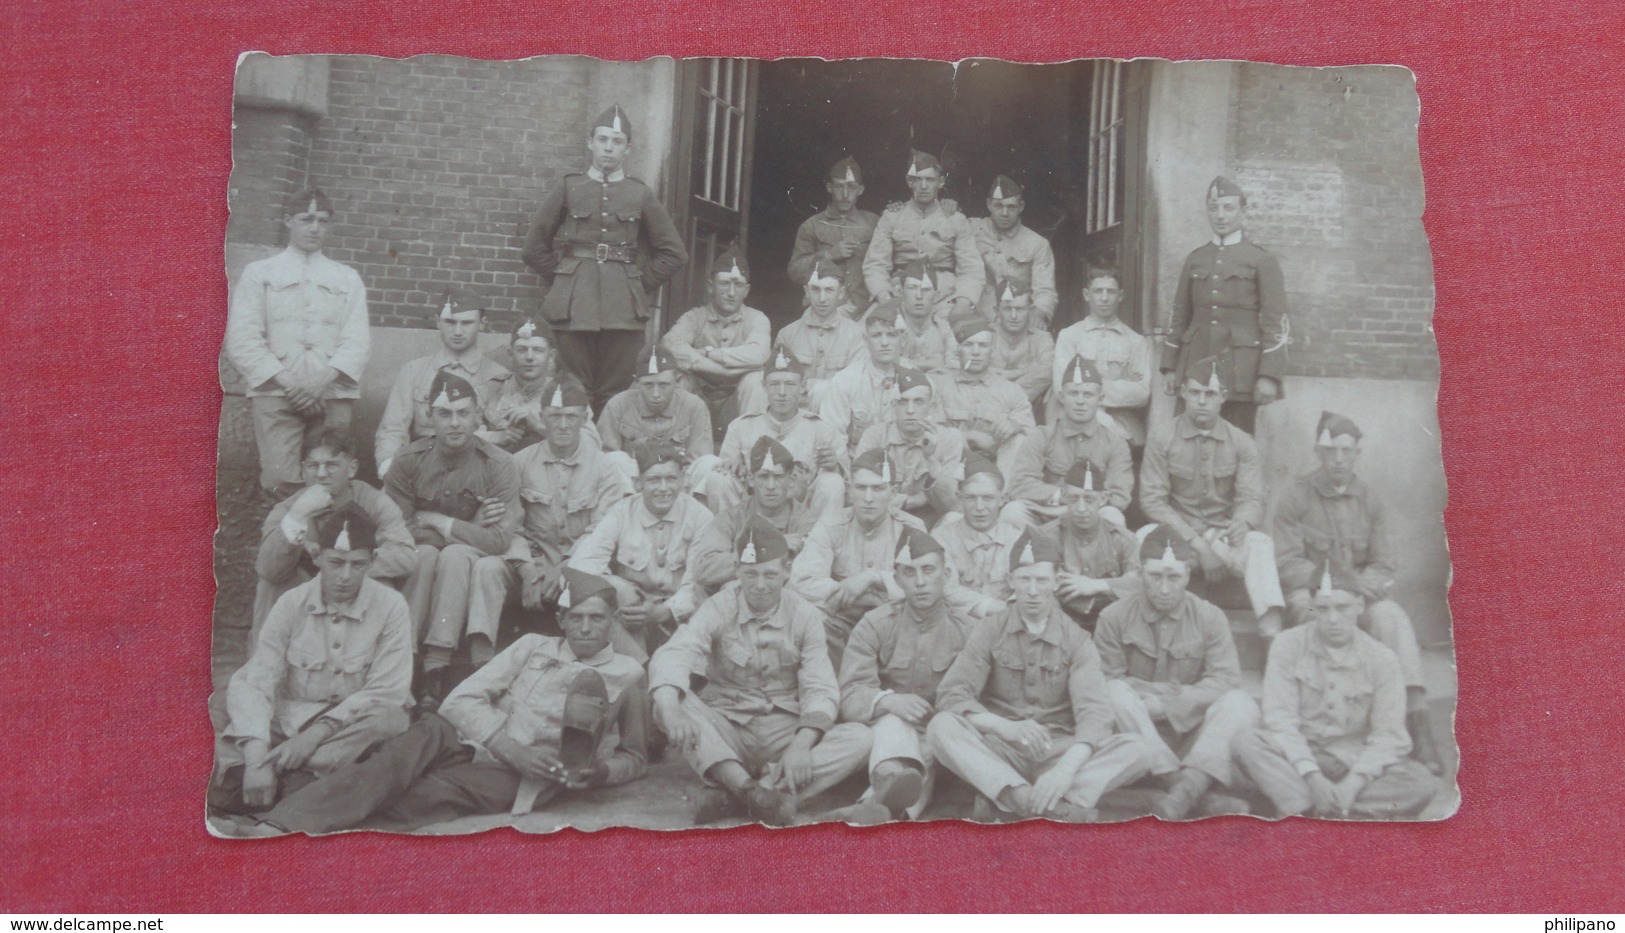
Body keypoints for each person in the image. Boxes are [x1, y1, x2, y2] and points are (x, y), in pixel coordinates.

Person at [221, 568, 649, 835]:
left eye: (598, 619)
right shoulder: (534, 646)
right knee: (392, 762)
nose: (587, 628)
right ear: (562, 620)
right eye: (578, 617)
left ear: (613, 623)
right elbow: (459, 701)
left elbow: (636, 756)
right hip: (470, 738)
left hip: (521, 774)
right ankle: (284, 817)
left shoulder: (629, 675)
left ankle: (279, 816)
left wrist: (601, 772)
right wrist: (505, 743)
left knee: (420, 798)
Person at [651, 519, 873, 827]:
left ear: (786, 573)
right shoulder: (719, 607)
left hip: (784, 730)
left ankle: (746, 792)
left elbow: (820, 687)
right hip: (729, 728)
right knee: (672, 701)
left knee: (860, 738)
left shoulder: (806, 616)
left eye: (770, 574)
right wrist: (668, 707)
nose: (760, 585)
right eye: (750, 574)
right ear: (738, 572)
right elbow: (679, 650)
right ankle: (755, 793)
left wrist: (801, 745)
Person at [927, 531, 1150, 822]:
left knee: (1139, 748)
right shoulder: (989, 629)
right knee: (941, 726)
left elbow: (1094, 713)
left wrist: (1064, 770)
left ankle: (1008, 800)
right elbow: (952, 695)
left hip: (1057, 750)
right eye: (1024, 579)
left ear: (1056, 582)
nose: (1032, 590)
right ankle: (1039, 804)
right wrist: (1005, 728)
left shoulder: (1077, 639)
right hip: (1002, 750)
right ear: (1010, 581)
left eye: (1041, 580)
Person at [1270, 411, 1444, 773]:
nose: (1339, 460)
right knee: (1307, 610)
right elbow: (1287, 563)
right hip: (1313, 593)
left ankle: (1416, 720)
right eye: (1331, 452)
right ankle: (1324, 722)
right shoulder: (1296, 496)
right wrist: (1343, 580)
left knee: (1390, 616)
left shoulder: (1370, 499)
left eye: (1347, 452)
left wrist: (1364, 588)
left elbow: (1384, 562)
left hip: (1356, 598)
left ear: (1357, 455)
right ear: (1318, 452)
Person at [210, 507, 412, 816]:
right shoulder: (291, 602)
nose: (346, 576)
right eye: (336, 563)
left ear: (372, 562)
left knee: (392, 719)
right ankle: (279, 774)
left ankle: (288, 774)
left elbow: (386, 691)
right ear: (317, 556)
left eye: (358, 565)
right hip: (291, 717)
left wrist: (312, 737)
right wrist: (255, 756)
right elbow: (258, 678)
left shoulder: (391, 606)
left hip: (348, 726)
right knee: (221, 706)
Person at [1230, 565, 1440, 819]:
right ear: (1312, 608)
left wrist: (1353, 784)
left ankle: (1307, 809)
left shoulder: (1383, 659)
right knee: (1247, 741)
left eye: (1342, 608)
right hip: (1300, 756)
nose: (1332, 619)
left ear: (1360, 605)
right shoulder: (1287, 645)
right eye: (1323, 609)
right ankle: (1337, 812)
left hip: (1353, 759)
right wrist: (1312, 776)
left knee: (1420, 782)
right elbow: (1280, 720)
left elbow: (1389, 736)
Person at [521, 103, 688, 414]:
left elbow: (674, 253)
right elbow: (533, 248)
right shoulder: (569, 187)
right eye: (602, 140)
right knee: (573, 387)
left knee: (616, 392)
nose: (608, 148)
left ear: (627, 149)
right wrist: (563, 281)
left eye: (617, 142)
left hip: (623, 309)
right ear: (590, 143)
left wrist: (635, 284)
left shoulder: (640, 194)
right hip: (573, 308)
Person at [1094, 527, 1258, 820]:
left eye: (1174, 577)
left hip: (1191, 734)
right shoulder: (1113, 616)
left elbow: (1225, 679)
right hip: (1137, 732)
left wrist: (1169, 705)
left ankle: (1180, 793)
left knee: (1239, 702)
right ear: (1141, 572)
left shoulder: (1210, 616)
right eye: (1155, 576)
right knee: (1112, 693)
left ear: (1188, 575)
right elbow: (1107, 679)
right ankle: (1189, 792)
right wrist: (1153, 703)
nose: (1165, 588)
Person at [465, 380, 632, 666]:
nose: (563, 425)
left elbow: (601, 533)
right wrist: (528, 569)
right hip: (529, 570)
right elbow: (510, 526)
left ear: (585, 419)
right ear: (542, 418)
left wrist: (565, 569)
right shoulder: (517, 463)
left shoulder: (606, 468)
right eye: (555, 416)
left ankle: (624, 671)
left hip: (582, 571)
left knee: (615, 588)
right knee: (486, 568)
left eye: (571, 416)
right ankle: (481, 663)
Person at [382, 370, 521, 707]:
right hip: (421, 559)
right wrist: (469, 524)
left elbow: (500, 540)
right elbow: (396, 532)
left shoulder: (499, 464)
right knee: (426, 555)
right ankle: (408, 659)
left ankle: (435, 666)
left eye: (463, 413)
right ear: (430, 417)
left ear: (478, 416)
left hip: (472, 561)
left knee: (455, 555)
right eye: (444, 414)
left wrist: (440, 522)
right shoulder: (406, 461)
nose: (454, 423)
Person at [225, 187, 370, 498]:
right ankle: (288, 541)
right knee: (280, 479)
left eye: (323, 220)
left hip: (331, 393)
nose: (315, 228)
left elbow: (357, 341)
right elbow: (243, 338)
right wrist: (289, 383)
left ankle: (324, 545)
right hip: (278, 393)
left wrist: (321, 381)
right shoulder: (259, 274)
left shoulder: (346, 278)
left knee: (331, 477)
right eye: (306, 219)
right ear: (288, 221)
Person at [836, 526, 976, 822]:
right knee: (894, 724)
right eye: (909, 573)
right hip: (887, 731)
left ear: (946, 575)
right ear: (896, 579)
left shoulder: (968, 630)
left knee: (933, 738)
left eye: (929, 570)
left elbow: (976, 696)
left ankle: (872, 806)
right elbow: (851, 693)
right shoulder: (875, 624)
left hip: (940, 733)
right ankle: (893, 798)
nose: (921, 582)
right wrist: (888, 701)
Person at [1139, 357, 1287, 635]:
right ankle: (1146, 631)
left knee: (1260, 544)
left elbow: (1252, 497)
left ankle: (1272, 639)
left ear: (1223, 397)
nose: (1202, 401)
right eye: (1195, 393)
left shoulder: (1242, 441)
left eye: (1210, 394)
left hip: (1222, 536)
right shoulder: (1162, 437)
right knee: (1143, 537)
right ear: (1183, 393)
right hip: (1177, 537)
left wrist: (1242, 523)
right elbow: (1152, 500)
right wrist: (1197, 544)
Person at [251, 430, 417, 639]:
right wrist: (299, 514)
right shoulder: (289, 509)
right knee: (272, 584)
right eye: (313, 466)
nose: (321, 474)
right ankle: (265, 665)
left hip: (353, 585)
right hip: (306, 588)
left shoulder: (374, 502)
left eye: (331, 465)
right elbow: (267, 569)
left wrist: (341, 563)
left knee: (381, 585)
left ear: (352, 469)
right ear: (302, 471)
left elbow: (405, 555)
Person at [1160, 176, 1289, 435]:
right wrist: (1171, 367)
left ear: (1243, 211)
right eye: (1213, 207)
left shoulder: (1260, 260)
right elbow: (1180, 314)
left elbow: (1276, 320)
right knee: (1186, 439)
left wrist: (1269, 375)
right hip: (1196, 363)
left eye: (1228, 208)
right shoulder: (1196, 259)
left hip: (1240, 369)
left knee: (1235, 443)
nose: (1220, 215)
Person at [569, 440, 712, 659]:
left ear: (683, 481)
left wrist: (664, 611)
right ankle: (637, 670)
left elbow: (697, 583)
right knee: (616, 589)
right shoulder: (621, 512)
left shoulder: (700, 517)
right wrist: (620, 591)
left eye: (671, 479)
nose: (664, 489)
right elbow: (583, 563)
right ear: (638, 483)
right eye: (654, 480)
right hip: (631, 618)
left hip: (679, 616)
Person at [790, 448, 927, 665]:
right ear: (849, 489)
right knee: (809, 620)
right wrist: (861, 595)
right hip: (841, 625)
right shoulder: (830, 526)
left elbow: (925, 583)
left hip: (894, 626)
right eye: (861, 488)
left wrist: (875, 578)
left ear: (893, 491)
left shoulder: (912, 528)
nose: (868, 498)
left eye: (878, 488)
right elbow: (802, 581)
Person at [374, 286, 513, 478]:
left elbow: (504, 440)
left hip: (477, 476)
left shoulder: (499, 377)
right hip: (420, 472)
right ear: (438, 322)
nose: (457, 331)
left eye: (466, 323)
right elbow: (392, 429)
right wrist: (389, 469)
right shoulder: (414, 371)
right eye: (449, 322)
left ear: (482, 324)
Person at [710, 347, 847, 521]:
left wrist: (835, 467)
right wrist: (732, 466)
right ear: (764, 386)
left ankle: (820, 543)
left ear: (803, 386)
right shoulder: (741, 427)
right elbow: (727, 473)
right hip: (752, 513)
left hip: (803, 516)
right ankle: (731, 536)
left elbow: (849, 488)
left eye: (790, 384)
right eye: (774, 384)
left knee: (832, 482)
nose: (782, 392)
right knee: (719, 478)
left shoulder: (823, 429)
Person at [1005, 355, 1133, 528]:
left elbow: (1119, 496)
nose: (1080, 401)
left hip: (1090, 518)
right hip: (1046, 516)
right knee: (1012, 512)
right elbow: (1020, 484)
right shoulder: (1041, 436)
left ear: (1100, 399)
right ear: (1062, 397)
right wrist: (1062, 498)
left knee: (1112, 516)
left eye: (1088, 394)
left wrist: (1074, 506)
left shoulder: (1115, 443)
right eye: (1073, 393)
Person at [661, 247, 772, 440]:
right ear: (711, 286)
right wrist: (721, 370)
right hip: (699, 399)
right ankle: (673, 448)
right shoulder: (695, 317)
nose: (731, 292)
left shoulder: (756, 318)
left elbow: (759, 354)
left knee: (756, 381)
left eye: (738, 285)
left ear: (746, 291)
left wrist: (710, 353)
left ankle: (753, 448)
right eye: (724, 283)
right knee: (678, 379)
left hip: (736, 404)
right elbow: (669, 346)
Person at [688, 436, 822, 595]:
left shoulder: (806, 521)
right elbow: (703, 569)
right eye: (763, 477)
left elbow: (808, 575)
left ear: (790, 479)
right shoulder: (731, 518)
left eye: (778, 477)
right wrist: (767, 547)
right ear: (751, 480)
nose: (771, 486)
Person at [862, 149, 985, 323]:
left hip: (944, 297)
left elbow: (972, 269)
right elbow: (875, 265)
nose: (924, 186)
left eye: (930, 179)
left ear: (941, 182)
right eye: (918, 180)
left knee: (968, 338)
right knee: (865, 333)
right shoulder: (892, 217)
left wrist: (963, 303)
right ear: (909, 182)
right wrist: (886, 299)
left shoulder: (956, 220)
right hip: (899, 294)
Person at [742, 260, 866, 415]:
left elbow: (854, 384)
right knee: (754, 381)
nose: (822, 298)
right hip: (790, 412)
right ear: (806, 292)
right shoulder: (788, 334)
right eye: (815, 290)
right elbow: (775, 379)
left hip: (832, 415)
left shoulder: (856, 335)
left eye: (829, 290)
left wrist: (814, 386)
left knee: (825, 390)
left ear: (840, 294)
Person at [1051, 263, 1154, 446]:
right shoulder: (1069, 336)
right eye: (1098, 291)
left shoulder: (1136, 341)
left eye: (1111, 292)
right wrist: (1118, 387)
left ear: (1120, 296)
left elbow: (1142, 393)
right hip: (1074, 420)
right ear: (1086, 295)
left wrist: (1088, 386)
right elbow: (1061, 389)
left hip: (1121, 423)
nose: (1104, 298)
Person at [854, 366, 965, 527]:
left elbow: (952, 504)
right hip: (883, 518)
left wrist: (931, 458)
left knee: (953, 519)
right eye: (902, 402)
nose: (910, 410)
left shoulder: (949, 438)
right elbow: (860, 489)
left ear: (931, 407)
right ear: (893, 405)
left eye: (918, 402)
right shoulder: (875, 436)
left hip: (931, 522)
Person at [1039, 460, 1140, 633]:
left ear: (1103, 499)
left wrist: (1097, 585)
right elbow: (1045, 586)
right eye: (1074, 498)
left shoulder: (1124, 539)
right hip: (1061, 625)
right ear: (1063, 496)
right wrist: (1117, 588)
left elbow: (1140, 582)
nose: (1081, 508)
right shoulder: (1046, 537)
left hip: (1114, 625)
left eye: (1089, 499)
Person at [598, 345, 718, 490]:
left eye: (663, 385)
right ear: (636, 382)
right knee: (614, 459)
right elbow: (605, 458)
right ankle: (624, 511)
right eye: (648, 385)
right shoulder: (618, 405)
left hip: (680, 485)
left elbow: (698, 460)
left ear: (677, 381)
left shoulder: (694, 406)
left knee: (708, 463)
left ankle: (695, 511)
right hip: (634, 485)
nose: (656, 393)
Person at [479, 318, 601, 454]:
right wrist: (496, 436)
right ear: (510, 354)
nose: (529, 357)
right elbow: (460, 433)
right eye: (522, 350)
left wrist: (540, 426)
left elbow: (591, 445)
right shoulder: (491, 388)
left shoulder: (568, 393)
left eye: (538, 350)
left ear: (551, 356)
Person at [936, 314, 1036, 478]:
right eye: (968, 345)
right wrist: (970, 436)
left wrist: (1015, 425)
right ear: (958, 349)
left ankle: (1003, 496)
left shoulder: (1011, 390)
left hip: (997, 467)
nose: (976, 352)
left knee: (1018, 440)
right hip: (953, 468)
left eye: (982, 345)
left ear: (992, 350)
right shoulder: (940, 386)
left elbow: (1032, 438)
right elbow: (930, 431)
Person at [787, 156, 879, 313]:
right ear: (829, 187)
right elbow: (795, 272)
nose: (845, 194)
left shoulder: (874, 223)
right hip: (823, 310)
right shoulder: (811, 225)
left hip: (864, 312)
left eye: (851, 187)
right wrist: (828, 255)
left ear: (860, 190)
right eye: (839, 186)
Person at [820, 299, 911, 456]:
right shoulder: (846, 380)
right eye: (876, 335)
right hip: (859, 463)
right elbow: (833, 436)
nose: (884, 342)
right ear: (865, 340)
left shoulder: (918, 380)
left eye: (891, 335)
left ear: (903, 339)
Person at [931, 456, 1026, 602]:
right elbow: (946, 589)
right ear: (959, 498)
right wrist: (992, 607)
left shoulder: (1018, 541)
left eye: (988, 498)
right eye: (971, 498)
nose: (979, 507)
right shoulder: (942, 539)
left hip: (1006, 620)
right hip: (957, 619)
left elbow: (1027, 588)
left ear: (1002, 499)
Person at [970, 174, 1058, 328]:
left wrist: (1040, 312)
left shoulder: (1037, 244)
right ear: (988, 204)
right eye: (998, 206)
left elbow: (1045, 290)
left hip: (1016, 321)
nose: (1004, 213)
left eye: (1011, 207)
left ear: (1021, 206)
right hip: (976, 322)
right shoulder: (970, 229)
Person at [987, 279, 1056, 406]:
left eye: (1020, 309)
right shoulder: (984, 336)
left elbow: (1048, 371)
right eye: (1007, 309)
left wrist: (1007, 392)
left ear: (1031, 310)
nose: (1013, 316)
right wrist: (1021, 372)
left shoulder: (1042, 339)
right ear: (997, 311)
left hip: (1029, 407)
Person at [893, 262, 961, 371]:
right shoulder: (890, 327)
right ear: (901, 292)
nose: (919, 296)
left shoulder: (945, 329)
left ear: (936, 295)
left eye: (926, 290)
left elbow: (954, 366)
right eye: (912, 288)